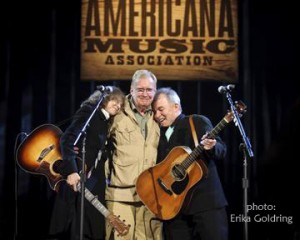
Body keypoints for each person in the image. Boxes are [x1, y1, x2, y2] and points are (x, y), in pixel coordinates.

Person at [49, 86, 125, 240]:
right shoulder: (90, 113)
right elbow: (67, 139)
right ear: (104, 100)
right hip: (76, 174)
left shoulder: (106, 122)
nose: (118, 105)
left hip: (93, 179)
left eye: (121, 104)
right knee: (76, 224)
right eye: (115, 101)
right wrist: (71, 170)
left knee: (93, 225)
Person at [152, 87, 228, 240]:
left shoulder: (197, 121)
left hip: (206, 203)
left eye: (160, 109)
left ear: (176, 106)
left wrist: (212, 146)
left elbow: (221, 149)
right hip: (175, 208)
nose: (157, 115)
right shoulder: (157, 134)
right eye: (154, 111)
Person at [105, 70, 163, 240]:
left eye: (149, 90)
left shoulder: (159, 116)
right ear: (131, 89)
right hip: (120, 196)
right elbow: (97, 140)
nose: (145, 94)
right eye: (140, 89)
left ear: (155, 91)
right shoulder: (117, 112)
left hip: (151, 197)